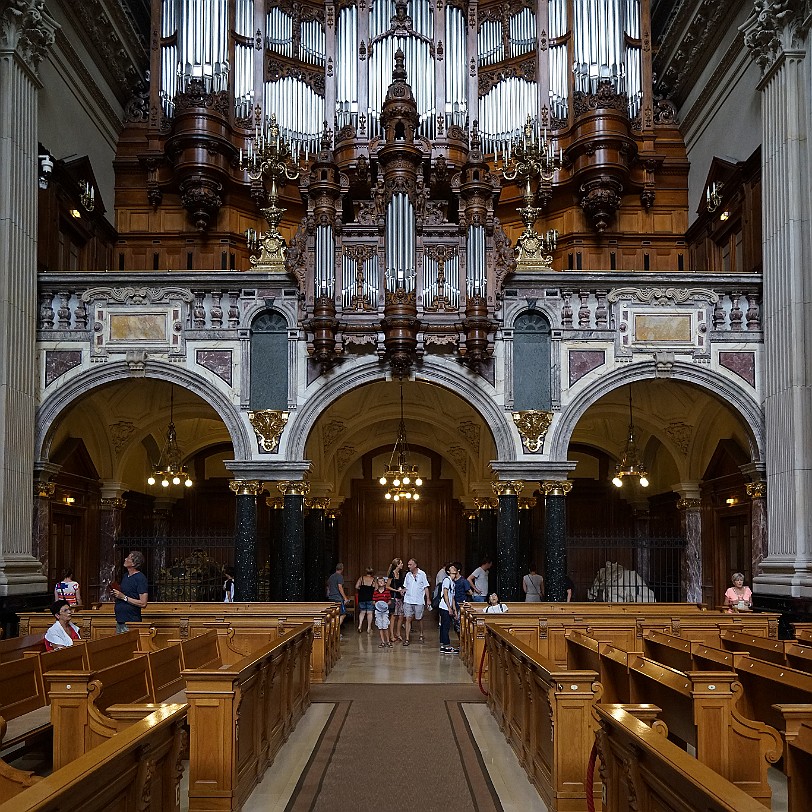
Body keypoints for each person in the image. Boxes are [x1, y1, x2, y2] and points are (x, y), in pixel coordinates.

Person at [110, 551, 148, 633]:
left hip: (131, 621)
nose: (125, 559)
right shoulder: (125, 576)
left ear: (134, 563)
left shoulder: (140, 578)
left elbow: (143, 603)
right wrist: (116, 594)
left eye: (128, 558)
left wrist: (124, 597)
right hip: (120, 619)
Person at [401, 558, 431, 646]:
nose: (408, 566)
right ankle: (407, 638)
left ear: (415, 565)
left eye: (410, 565)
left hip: (418, 600)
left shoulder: (422, 574)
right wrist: (403, 590)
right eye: (408, 564)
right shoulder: (407, 575)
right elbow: (406, 586)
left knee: (419, 618)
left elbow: (426, 587)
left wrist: (428, 599)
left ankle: (421, 634)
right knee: (408, 618)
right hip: (408, 599)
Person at [327, 563, 350, 637]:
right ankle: (335, 630)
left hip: (331, 598)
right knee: (342, 614)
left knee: (333, 615)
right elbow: (340, 587)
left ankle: (333, 630)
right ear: (342, 569)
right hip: (338, 598)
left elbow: (328, 587)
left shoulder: (331, 577)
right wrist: (345, 598)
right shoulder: (339, 577)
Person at [438, 564, 456, 653]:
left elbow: (452, 596)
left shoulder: (452, 582)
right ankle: (446, 645)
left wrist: (454, 609)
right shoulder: (447, 580)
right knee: (445, 626)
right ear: (448, 571)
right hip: (444, 606)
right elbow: (445, 594)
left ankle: (443, 643)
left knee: (445, 625)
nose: (454, 569)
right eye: (452, 568)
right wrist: (449, 607)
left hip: (448, 607)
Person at [387, 558, 405, 641]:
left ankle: (398, 633)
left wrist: (402, 590)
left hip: (400, 597)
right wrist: (396, 590)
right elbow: (387, 586)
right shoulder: (392, 574)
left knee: (401, 616)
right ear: (397, 565)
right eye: (400, 563)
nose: (402, 564)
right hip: (393, 597)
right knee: (393, 616)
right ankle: (391, 635)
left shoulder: (400, 574)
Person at [373, 576, 393, 647]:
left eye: (382, 581)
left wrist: (386, 604)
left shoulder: (387, 592)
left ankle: (388, 641)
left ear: (384, 583)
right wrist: (377, 605)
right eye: (379, 581)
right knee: (380, 626)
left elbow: (390, 601)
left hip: (385, 611)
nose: (381, 583)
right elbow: (374, 601)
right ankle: (383, 641)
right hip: (378, 611)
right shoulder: (375, 592)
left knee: (385, 626)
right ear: (377, 583)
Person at [355, 567, 376, 633]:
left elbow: (356, 586)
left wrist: (361, 589)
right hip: (370, 598)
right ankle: (369, 628)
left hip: (362, 597)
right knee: (369, 613)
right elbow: (376, 588)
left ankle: (360, 625)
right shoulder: (373, 580)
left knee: (362, 612)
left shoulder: (361, 578)